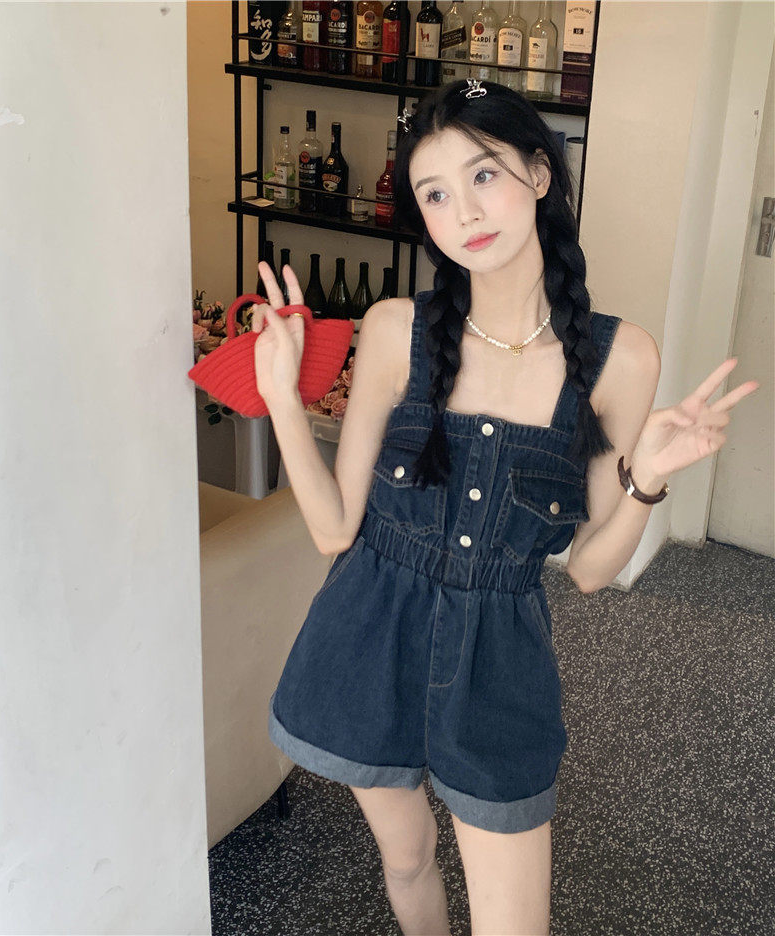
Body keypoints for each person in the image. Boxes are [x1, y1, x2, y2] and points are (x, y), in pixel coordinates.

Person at [246, 79, 759, 936]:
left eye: (484, 175)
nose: (465, 213)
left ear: (539, 173)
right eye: (435, 194)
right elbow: (335, 529)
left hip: (498, 663)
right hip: (368, 636)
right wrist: (281, 399)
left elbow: (590, 570)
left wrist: (647, 477)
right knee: (406, 861)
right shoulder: (394, 330)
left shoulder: (619, 359)